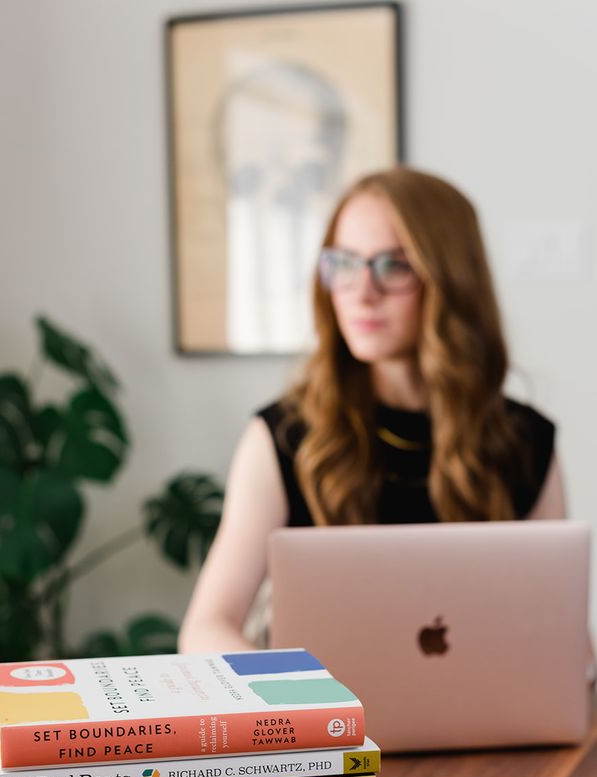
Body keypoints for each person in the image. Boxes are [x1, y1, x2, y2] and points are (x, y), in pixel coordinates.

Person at [179, 165, 569, 655]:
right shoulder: (281, 436)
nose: (362, 292)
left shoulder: (525, 440)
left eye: (393, 266)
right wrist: (297, 704)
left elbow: (568, 645)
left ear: (450, 278)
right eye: (344, 264)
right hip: (324, 730)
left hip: (485, 730)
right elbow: (205, 630)